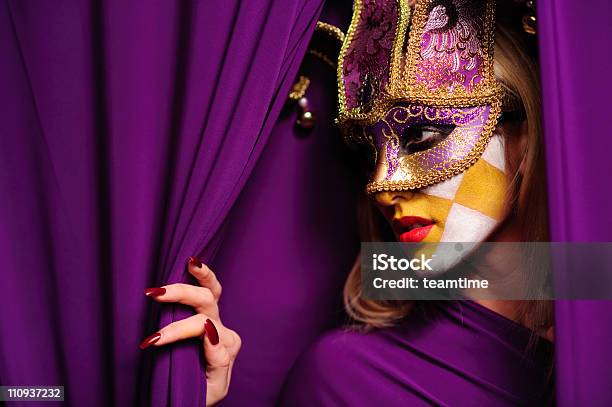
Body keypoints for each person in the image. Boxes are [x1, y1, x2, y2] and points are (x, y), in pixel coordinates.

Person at [139, 0, 554, 405]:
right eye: (368, 156)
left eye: (422, 137)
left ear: (525, 135)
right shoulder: (349, 380)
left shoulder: (594, 310)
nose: (381, 186)